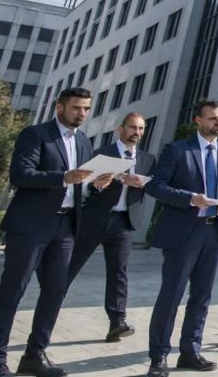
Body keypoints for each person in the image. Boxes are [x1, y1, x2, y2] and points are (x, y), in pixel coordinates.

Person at [0, 87, 110, 377]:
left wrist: (95, 184)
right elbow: (20, 175)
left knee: (55, 292)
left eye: (86, 108)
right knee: (12, 292)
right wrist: (63, 177)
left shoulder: (84, 142)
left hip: (66, 227)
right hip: (31, 226)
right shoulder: (36, 135)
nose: (82, 113)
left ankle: (34, 356)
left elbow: (80, 183)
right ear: (59, 107)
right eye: (76, 108)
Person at [144, 99, 218, 376]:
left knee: (202, 297)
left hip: (215, 231)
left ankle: (190, 351)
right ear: (198, 120)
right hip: (184, 234)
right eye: (213, 118)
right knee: (171, 296)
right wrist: (190, 199)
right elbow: (156, 187)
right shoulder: (177, 150)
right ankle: (159, 356)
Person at [65, 111, 157, 342]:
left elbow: (153, 188)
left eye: (141, 129)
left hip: (124, 223)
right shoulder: (101, 154)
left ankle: (117, 322)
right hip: (95, 218)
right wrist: (98, 185)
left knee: (118, 272)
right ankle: (50, 305)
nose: (137, 133)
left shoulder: (147, 159)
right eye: (133, 127)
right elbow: (84, 188)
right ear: (121, 128)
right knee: (70, 266)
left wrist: (142, 185)